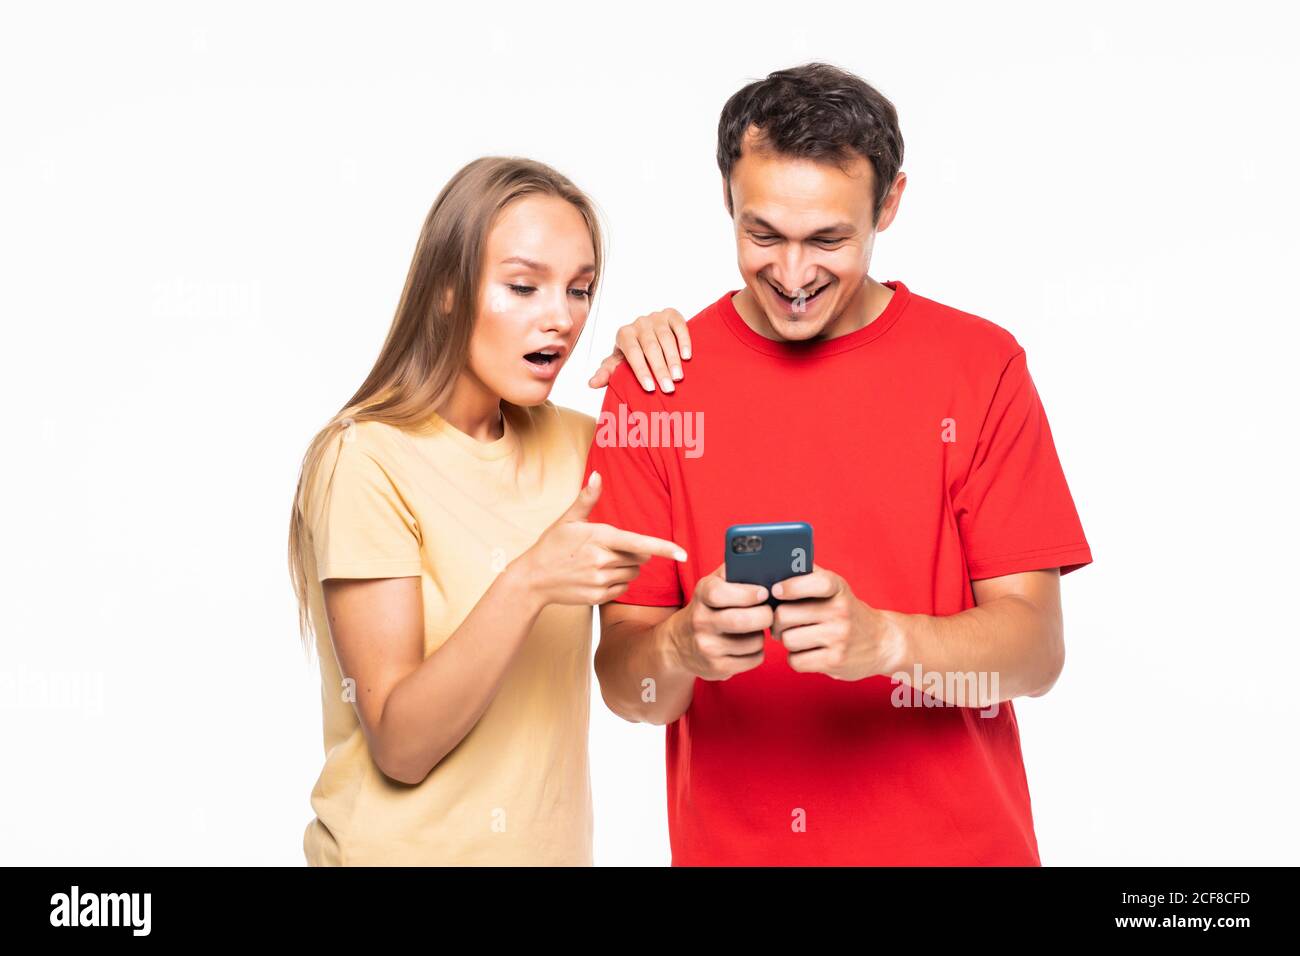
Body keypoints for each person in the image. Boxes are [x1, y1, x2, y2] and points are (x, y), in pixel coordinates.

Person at [584, 62, 1093, 865]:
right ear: (726, 197)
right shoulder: (654, 388)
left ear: (888, 205)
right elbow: (626, 689)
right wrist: (681, 648)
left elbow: (1035, 657)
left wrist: (888, 643)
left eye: (827, 239)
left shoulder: (981, 367)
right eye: (762, 235)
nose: (792, 276)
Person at [287, 156, 686, 865]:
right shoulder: (364, 460)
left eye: (581, 289)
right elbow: (400, 745)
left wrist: (669, 367)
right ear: (446, 291)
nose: (561, 318)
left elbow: (646, 669)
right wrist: (529, 581)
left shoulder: (580, 447)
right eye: (524, 286)